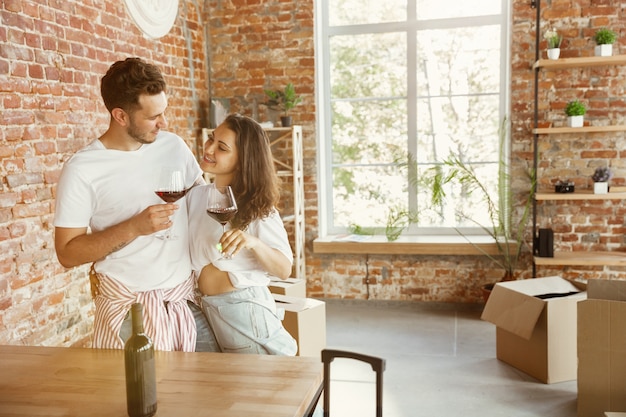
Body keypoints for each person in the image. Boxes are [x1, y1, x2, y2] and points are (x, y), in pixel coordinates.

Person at [54, 57, 214, 352]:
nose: (163, 123)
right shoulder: (83, 168)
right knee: (138, 397)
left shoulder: (173, 146)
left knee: (211, 393)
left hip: (185, 303)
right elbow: (67, 252)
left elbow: (203, 202)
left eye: (163, 112)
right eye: (154, 116)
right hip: (130, 312)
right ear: (121, 116)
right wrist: (134, 227)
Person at [187, 113, 298, 355]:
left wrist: (253, 242)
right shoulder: (196, 197)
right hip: (205, 307)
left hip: (243, 309)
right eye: (212, 139)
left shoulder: (258, 208)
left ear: (242, 159)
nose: (209, 148)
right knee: (222, 388)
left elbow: (283, 269)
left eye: (222, 147)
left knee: (261, 387)